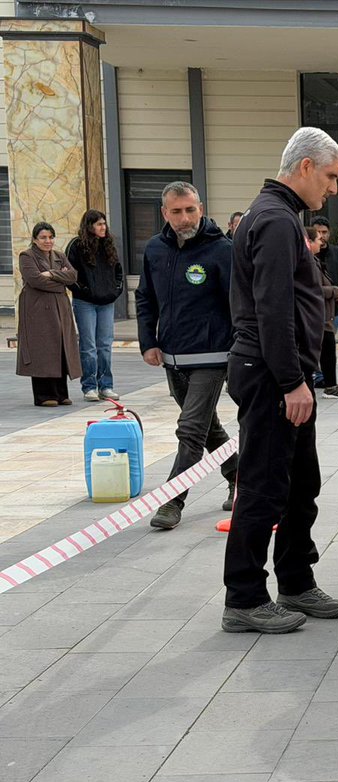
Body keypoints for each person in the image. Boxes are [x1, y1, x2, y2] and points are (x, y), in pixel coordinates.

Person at [222, 126, 338, 635]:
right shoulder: (274, 220)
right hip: (272, 374)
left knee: (301, 483)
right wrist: (293, 381)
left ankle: (296, 580)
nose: (333, 189)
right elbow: (272, 308)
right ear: (304, 167)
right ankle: (245, 597)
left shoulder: (279, 216)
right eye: (330, 176)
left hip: (283, 372)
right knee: (264, 485)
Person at [136, 182, 240, 529]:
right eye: (177, 211)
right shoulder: (155, 249)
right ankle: (238, 476)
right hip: (172, 357)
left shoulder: (222, 250)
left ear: (201, 207)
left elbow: (238, 304)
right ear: (165, 213)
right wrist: (148, 341)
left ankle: (172, 501)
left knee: (190, 429)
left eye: (191, 209)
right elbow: (145, 298)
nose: (185, 218)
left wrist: (240, 348)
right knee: (208, 428)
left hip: (212, 357)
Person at [16, 223, 81, 407]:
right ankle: (44, 395)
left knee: (60, 348)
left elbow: (73, 277)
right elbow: (35, 280)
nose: (48, 241)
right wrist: (60, 278)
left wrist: (51, 274)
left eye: (50, 237)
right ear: (35, 239)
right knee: (43, 350)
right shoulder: (27, 256)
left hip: (60, 308)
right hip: (38, 310)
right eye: (43, 237)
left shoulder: (59, 255)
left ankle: (61, 393)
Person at [66, 209, 124, 402]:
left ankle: (106, 385)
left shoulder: (108, 245)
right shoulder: (76, 246)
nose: (103, 227)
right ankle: (89, 386)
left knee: (105, 345)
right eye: (99, 224)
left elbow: (118, 271)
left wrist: (116, 290)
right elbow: (69, 274)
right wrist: (84, 290)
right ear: (89, 226)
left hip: (106, 302)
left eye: (104, 223)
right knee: (88, 345)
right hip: (85, 302)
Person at [304, 226, 338, 399]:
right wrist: (334, 291)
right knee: (322, 352)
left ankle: (330, 385)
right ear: (308, 242)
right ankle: (328, 386)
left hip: (326, 315)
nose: (321, 240)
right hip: (318, 317)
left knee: (328, 351)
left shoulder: (316, 260)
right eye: (317, 238)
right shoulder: (307, 262)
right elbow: (313, 289)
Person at [312, 215, 338, 332]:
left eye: (324, 232)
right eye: (318, 232)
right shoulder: (305, 255)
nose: (321, 236)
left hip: (334, 309)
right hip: (312, 308)